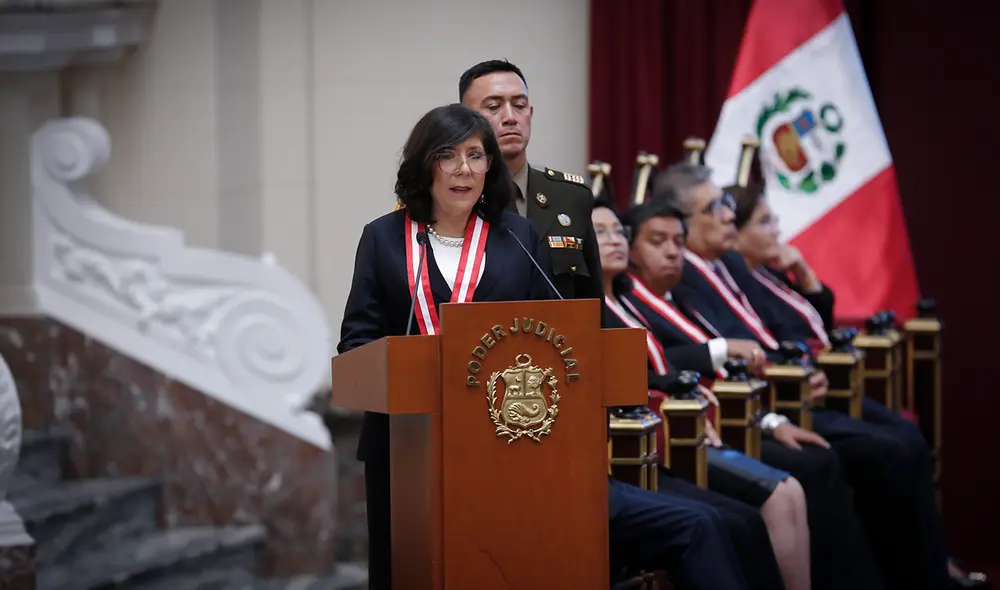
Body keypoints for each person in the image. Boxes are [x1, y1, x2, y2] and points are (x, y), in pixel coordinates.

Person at [339, 104, 747, 590]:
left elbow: (554, 334)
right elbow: (356, 343)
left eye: (476, 155)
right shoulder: (384, 238)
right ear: (425, 163)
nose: (464, 169)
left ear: (491, 166)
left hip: (512, 445)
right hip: (408, 452)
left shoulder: (518, 237)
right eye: (449, 155)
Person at [653, 162, 952, 590]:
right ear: (682, 221)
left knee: (903, 439)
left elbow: (783, 329)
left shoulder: (730, 264)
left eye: (725, 204)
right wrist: (781, 380)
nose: (727, 215)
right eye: (715, 206)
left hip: (787, 389)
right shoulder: (680, 277)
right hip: (757, 404)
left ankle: (925, 573)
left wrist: (799, 363)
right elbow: (710, 355)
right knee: (870, 454)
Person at [617, 197, 885, 590]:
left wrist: (771, 417)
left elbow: (750, 347)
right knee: (766, 500)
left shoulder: (683, 291)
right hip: (672, 435)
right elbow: (658, 373)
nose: (674, 251)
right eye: (659, 241)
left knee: (804, 476)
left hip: (727, 416)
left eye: (678, 241)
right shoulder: (617, 301)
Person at [730, 184, 989, 590]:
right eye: (764, 222)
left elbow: (816, 325)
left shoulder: (766, 274)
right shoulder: (735, 280)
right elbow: (784, 338)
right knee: (891, 451)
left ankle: (932, 567)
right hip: (789, 397)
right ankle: (920, 576)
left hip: (813, 385)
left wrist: (806, 277)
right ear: (736, 234)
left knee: (907, 435)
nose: (777, 230)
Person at [594, 199, 808, 590]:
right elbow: (639, 381)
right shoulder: (589, 307)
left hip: (683, 427)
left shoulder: (625, 299)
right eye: (600, 233)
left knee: (768, 502)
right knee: (739, 518)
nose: (614, 241)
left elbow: (662, 372)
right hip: (650, 442)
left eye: (617, 232)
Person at [459, 59, 604, 302]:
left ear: (530, 113)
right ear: (465, 119)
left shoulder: (570, 196)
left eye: (519, 105)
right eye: (494, 107)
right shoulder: (454, 198)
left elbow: (593, 300)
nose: (510, 117)